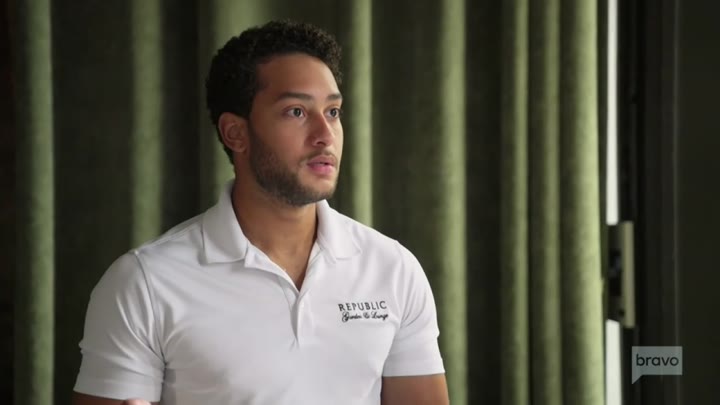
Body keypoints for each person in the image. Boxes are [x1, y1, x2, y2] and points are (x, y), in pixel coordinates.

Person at [72, 20, 449, 405]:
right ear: (235, 133)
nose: (325, 135)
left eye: (333, 111)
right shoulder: (143, 283)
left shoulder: (394, 269)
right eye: (297, 111)